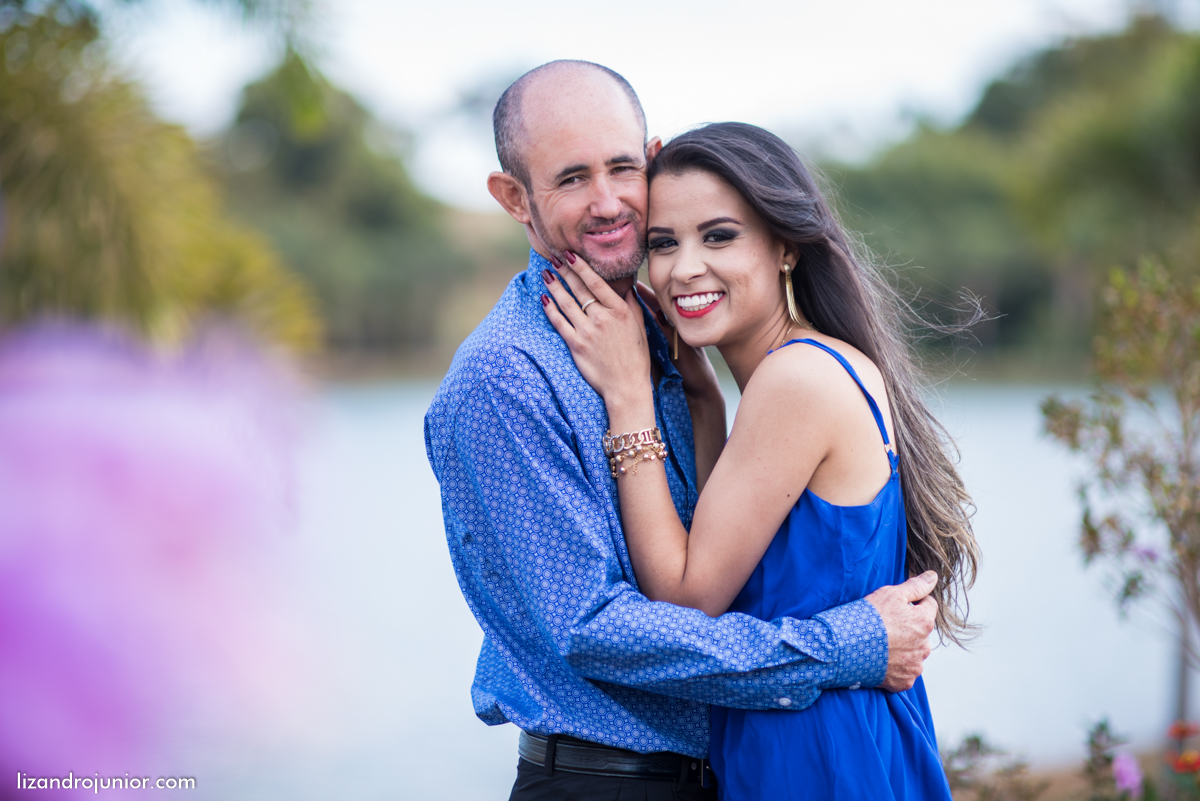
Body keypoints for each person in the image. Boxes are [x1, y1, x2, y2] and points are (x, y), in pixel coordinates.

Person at [424, 61, 940, 801]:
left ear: (651, 158)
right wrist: (846, 645)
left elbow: (710, 560)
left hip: (764, 761)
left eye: (622, 168)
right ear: (515, 198)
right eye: (571, 178)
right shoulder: (506, 378)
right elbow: (592, 627)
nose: (608, 202)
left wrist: (685, 395)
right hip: (610, 784)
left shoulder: (671, 339)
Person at [540, 121, 979, 799]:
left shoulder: (795, 380)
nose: (684, 268)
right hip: (822, 736)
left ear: (785, 247)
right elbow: (732, 553)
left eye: (719, 236)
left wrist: (628, 398)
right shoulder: (806, 367)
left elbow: (686, 599)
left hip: (814, 756)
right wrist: (703, 402)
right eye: (663, 243)